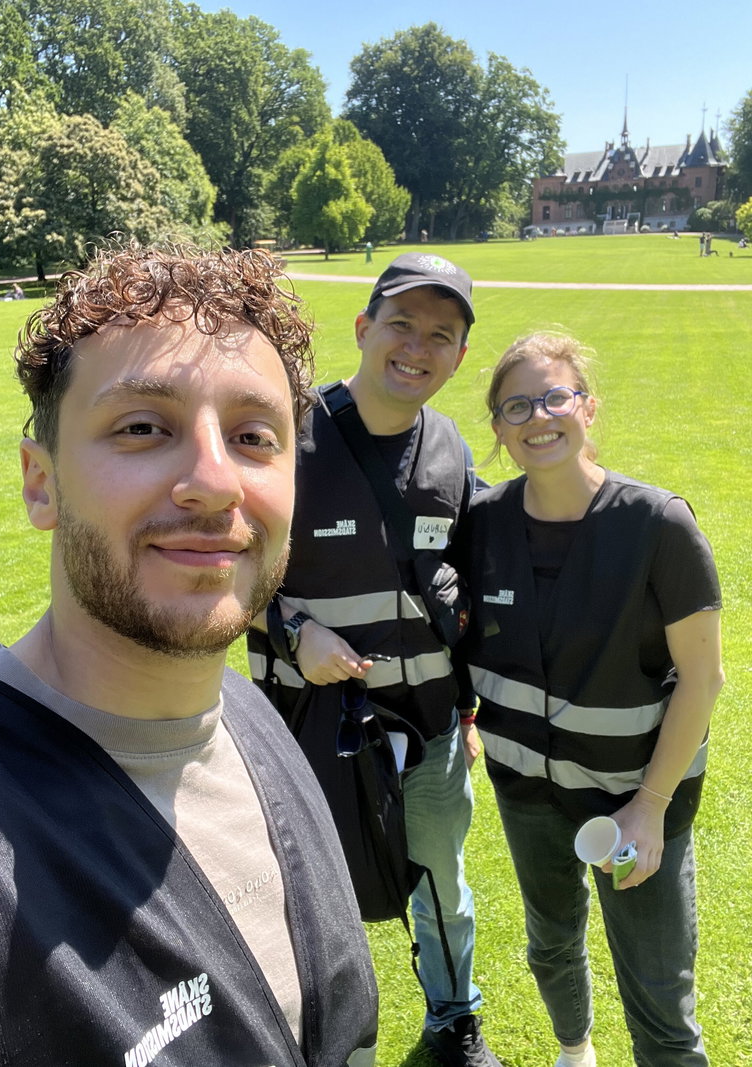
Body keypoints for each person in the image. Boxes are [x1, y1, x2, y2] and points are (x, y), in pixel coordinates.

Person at [0, 241, 378, 1067]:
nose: (215, 481)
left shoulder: (249, 714)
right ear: (41, 482)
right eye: (143, 427)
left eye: (254, 435)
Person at [248, 252, 503, 1067]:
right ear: (363, 328)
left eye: (441, 334)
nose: (417, 347)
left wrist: (467, 711)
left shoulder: (450, 449)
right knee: (306, 890)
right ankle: (318, 1034)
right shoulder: (289, 437)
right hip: (312, 727)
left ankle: (454, 1020)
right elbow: (224, 572)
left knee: (440, 882)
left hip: (429, 730)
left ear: (459, 355)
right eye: (401, 324)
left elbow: (463, 591)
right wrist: (295, 632)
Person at [458, 332, 724, 1067]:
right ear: (499, 427)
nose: (538, 418)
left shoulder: (657, 523)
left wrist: (651, 804)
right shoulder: (482, 524)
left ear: (588, 407)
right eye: (516, 406)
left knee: (660, 996)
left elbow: (702, 679)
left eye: (555, 397)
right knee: (550, 945)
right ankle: (575, 1054)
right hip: (527, 791)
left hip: (633, 795)